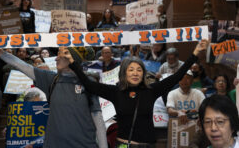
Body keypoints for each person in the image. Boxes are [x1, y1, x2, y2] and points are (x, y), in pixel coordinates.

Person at [65, 40, 208, 147]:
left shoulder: (151, 90)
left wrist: (196, 53)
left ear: (143, 74)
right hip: (123, 144)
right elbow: (89, 84)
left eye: (139, 70)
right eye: (131, 69)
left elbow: (176, 77)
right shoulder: (116, 92)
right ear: (124, 73)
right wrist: (72, 62)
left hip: (148, 145)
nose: (135, 73)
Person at [0, 47, 108, 148]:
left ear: (71, 59)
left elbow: (98, 120)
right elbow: (20, 64)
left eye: (60, 55)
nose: (56, 59)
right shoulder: (51, 80)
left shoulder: (89, 83)